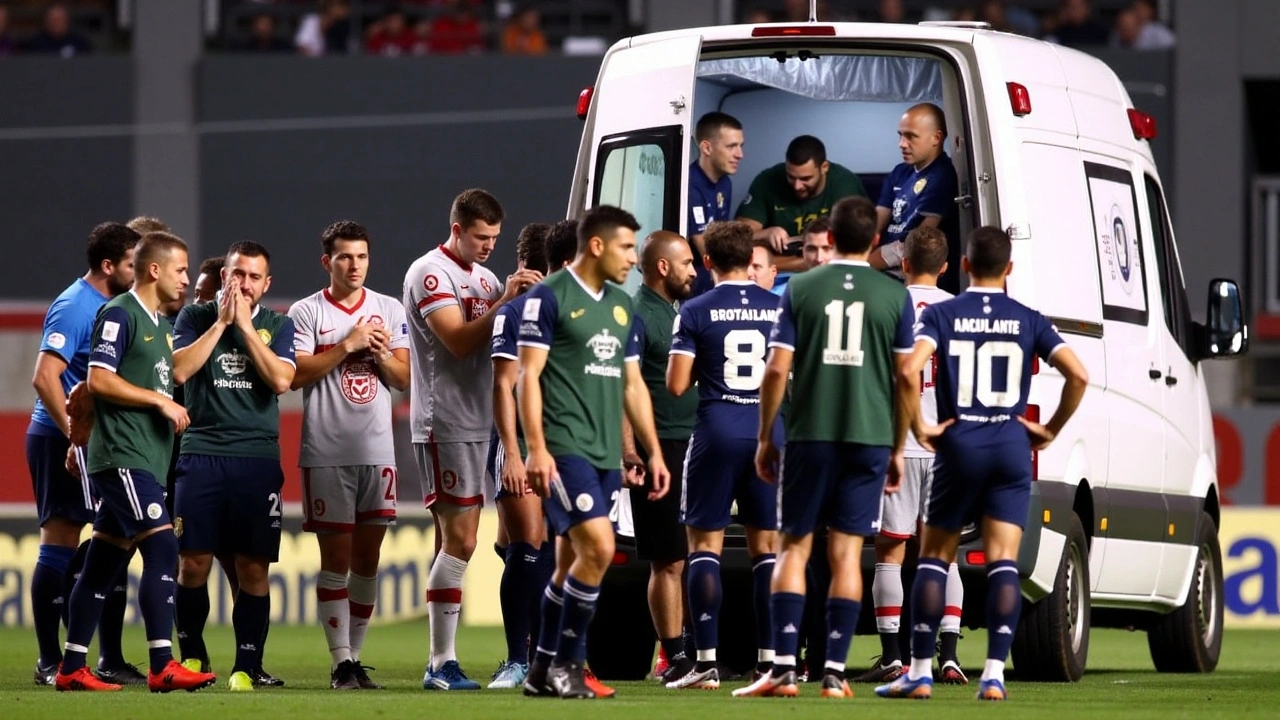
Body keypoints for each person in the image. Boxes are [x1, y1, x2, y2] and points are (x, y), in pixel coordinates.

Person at [876, 226, 1089, 701]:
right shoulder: (1028, 318)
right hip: (1010, 445)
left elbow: (908, 371)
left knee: (933, 556)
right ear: (1008, 269)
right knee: (1003, 564)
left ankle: (918, 671)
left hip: (960, 442)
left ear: (967, 265)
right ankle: (993, 672)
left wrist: (918, 429)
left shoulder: (947, 314)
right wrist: (1050, 429)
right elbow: (1078, 373)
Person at [734, 196, 915, 699]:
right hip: (870, 439)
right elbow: (906, 376)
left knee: (793, 548)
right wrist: (898, 447)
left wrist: (768, 435)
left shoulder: (803, 288)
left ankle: (785, 670)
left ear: (830, 239)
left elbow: (775, 369)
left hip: (810, 437)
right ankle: (835, 673)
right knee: (846, 555)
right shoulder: (894, 296)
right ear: (875, 241)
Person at [518, 206, 672, 699]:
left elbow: (633, 387)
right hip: (565, 449)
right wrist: (536, 448)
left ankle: (540, 669)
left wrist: (652, 453)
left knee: (567, 566)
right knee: (601, 549)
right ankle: (567, 664)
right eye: (628, 247)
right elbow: (527, 379)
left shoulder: (623, 308)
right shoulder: (548, 298)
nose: (634, 257)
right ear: (599, 246)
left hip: (606, 455)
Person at [55, 231, 216, 693]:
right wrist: (159, 403)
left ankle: (71, 668)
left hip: (143, 457)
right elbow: (98, 380)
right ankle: (163, 663)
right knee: (164, 548)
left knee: (103, 563)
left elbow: (179, 369)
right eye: (182, 269)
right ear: (155, 270)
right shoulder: (119, 313)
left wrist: (222, 324)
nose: (187, 279)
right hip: (124, 457)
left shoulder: (162, 326)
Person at [402, 188, 542, 690]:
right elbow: (459, 342)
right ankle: (440, 663)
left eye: (496, 238)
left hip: (483, 420)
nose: (489, 246)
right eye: (481, 237)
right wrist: (505, 300)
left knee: (466, 539)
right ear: (457, 228)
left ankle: (451, 660)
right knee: (460, 540)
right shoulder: (428, 273)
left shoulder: (484, 278)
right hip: (448, 421)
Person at [288, 221, 410, 690]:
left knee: (368, 560)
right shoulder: (305, 312)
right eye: (344, 257)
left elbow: (402, 379)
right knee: (335, 560)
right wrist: (346, 346)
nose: (354, 265)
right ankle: (340, 662)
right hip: (326, 452)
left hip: (377, 450)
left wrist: (378, 354)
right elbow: (296, 376)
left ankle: (354, 658)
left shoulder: (388, 308)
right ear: (327, 262)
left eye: (361, 256)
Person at [171, 241, 297, 692]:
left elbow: (283, 380)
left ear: (266, 284)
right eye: (236, 274)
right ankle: (192, 655)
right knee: (193, 564)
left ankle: (248, 666)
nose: (243, 284)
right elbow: (179, 371)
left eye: (252, 277)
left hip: (257, 458)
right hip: (201, 453)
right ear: (224, 276)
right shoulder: (194, 318)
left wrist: (243, 327)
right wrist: (223, 322)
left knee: (253, 567)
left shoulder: (278, 326)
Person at [664, 220, 781, 690]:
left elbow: (675, 385)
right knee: (768, 552)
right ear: (749, 258)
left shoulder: (694, 310)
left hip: (715, 431)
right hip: (768, 434)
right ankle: (772, 662)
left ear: (709, 261)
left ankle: (706, 662)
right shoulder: (780, 307)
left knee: (704, 548)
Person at [28, 222, 139, 686]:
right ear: (108, 265)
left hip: (96, 441)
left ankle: (106, 656)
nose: (138, 273)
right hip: (62, 439)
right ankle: (50, 660)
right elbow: (44, 376)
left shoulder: (112, 306)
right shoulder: (76, 306)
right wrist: (74, 433)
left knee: (110, 542)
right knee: (60, 541)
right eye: (132, 264)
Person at [857, 226, 965, 685]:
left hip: (897, 443)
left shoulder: (885, 306)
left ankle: (892, 654)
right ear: (945, 266)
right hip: (946, 448)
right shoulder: (959, 311)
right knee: (945, 554)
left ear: (903, 262)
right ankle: (951, 654)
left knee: (890, 551)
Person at [624, 230, 699, 684]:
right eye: (687, 262)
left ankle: (684, 650)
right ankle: (671, 655)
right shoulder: (636, 313)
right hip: (660, 447)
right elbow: (621, 384)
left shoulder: (671, 312)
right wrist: (631, 449)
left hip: (689, 442)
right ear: (663, 267)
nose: (695, 270)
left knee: (685, 556)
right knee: (667, 558)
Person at [487, 221, 557, 689]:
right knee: (527, 545)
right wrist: (511, 452)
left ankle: (547, 653)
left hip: (563, 445)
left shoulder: (573, 308)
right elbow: (503, 385)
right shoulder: (513, 313)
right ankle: (517, 659)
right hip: (520, 444)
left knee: (542, 549)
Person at [736, 134, 867, 278]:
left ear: (824, 167)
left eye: (806, 179)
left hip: (831, 273)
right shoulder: (767, 180)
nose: (797, 186)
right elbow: (739, 237)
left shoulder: (845, 185)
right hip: (777, 274)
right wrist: (766, 233)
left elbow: (855, 247)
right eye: (791, 177)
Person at [869, 103, 960, 290]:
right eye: (900, 135)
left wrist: (867, 264)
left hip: (913, 269)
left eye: (911, 136)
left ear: (936, 138)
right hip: (882, 265)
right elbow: (875, 226)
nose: (901, 144)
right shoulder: (900, 172)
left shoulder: (943, 176)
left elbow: (919, 243)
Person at [688, 112, 745, 298]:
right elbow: (704, 245)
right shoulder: (689, 184)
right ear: (706, 148)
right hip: (696, 275)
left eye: (740, 146)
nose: (740, 155)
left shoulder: (725, 183)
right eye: (731, 147)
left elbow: (721, 235)